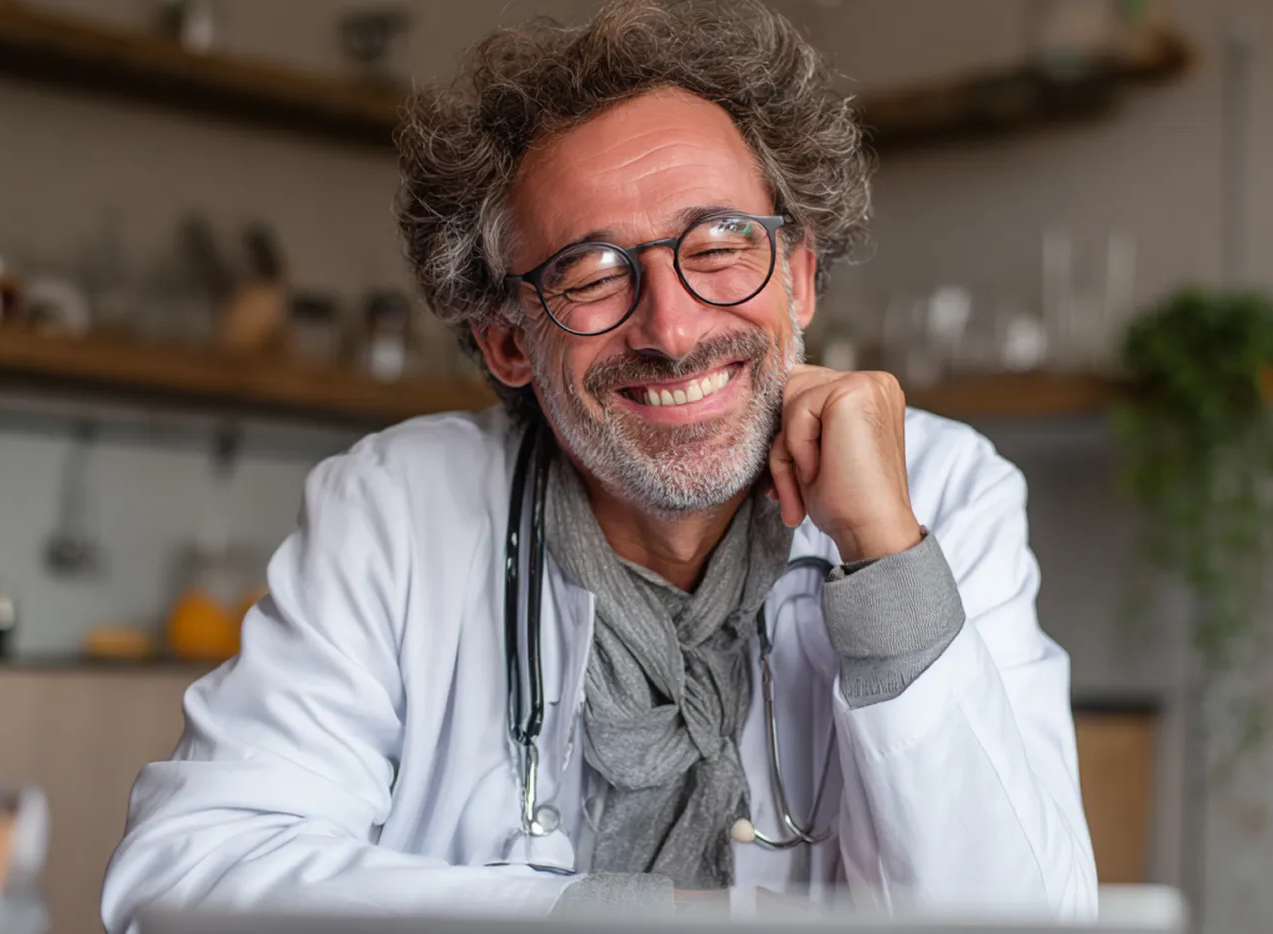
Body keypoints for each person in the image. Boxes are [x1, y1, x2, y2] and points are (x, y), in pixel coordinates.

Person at [100, 1, 1097, 930]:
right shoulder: (398, 508)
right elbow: (187, 880)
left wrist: (887, 560)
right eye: (589, 273)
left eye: (717, 247)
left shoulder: (943, 493)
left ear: (797, 279)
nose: (670, 328)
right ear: (506, 341)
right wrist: (614, 916)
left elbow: (1022, 918)